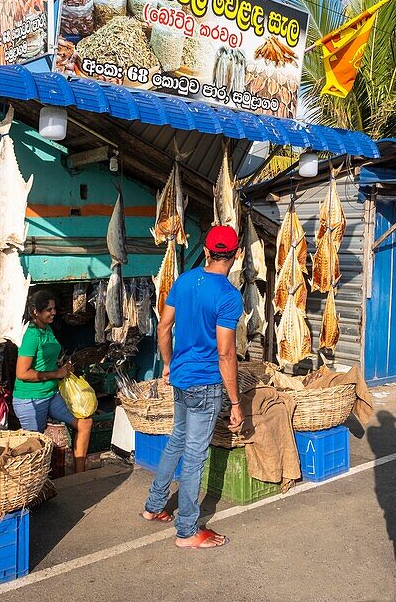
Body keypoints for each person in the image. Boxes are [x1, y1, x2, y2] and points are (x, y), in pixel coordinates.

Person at [141, 226, 244, 549]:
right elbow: (226, 353)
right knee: (195, 454)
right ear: (236, 254)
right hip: (206, 383)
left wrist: (169, 362)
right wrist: (236, 402)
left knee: (178, 440)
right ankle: (187, 530)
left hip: (183, 378)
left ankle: (154, 506)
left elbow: (163, 326)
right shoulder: (228, 296)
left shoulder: (185, 280)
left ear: (209, 252)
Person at [13, 289, 93, 473]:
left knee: (85, 423)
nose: (53, 312)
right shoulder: (31, 335)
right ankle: (36, 487)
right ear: (36, 312)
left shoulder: (46, 328)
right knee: (36, 447)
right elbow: (22, 373)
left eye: (54, 308)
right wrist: (56, 373)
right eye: (49, 309)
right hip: (29, 399)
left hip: (51, 394)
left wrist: (63, 367)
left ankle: (80, 476)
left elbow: (46, 361)